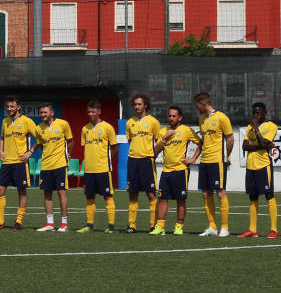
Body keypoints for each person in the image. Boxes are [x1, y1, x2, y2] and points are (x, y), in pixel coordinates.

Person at [150, 105, 201, 235]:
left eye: (174, 116)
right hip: (166, 171)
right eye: (170, 116)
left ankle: (179, 226)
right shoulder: (163, 131)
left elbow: (201, 142)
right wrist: (164, 138)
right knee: (162, 198)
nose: (171, 118)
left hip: (181, 170)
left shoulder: (186, 130)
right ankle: (160, 226)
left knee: (181, 199)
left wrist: (192, 159)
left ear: (180, 118)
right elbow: (155, 151)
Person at [194, 91, 234, 237]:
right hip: (204, 160)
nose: (196, 108)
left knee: (220, 192)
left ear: (203, 103)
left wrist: (226, 156)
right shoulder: (202, 119)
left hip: (217, 161)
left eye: (197, 105)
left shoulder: (222, 117)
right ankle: (212, 227)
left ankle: (225, 227)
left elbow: (230, 139)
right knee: (205, 193)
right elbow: (203, 141)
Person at [0, 95, 35, 230]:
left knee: (21, 191)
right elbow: (2, 137)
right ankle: (0, 222)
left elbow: (40, 137)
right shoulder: (5, 121)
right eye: (8, 107)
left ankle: (19, 221)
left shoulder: (27, 121)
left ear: (18, 107)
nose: (9, 109)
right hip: (6, 162)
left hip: (20, 162)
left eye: (12, 106)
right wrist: (0, 150)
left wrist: (30, 152)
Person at [76, 100, 117, 234]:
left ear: (99, 112)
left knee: (107, 197)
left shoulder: (107, 127)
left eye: (93, 111)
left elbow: (114, 147)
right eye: (88, 111)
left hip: (103, 169)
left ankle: (110, 226)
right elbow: (85, 148)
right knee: (89, 197)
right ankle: (89, 225)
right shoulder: (85, 129)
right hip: (89, 170)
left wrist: (107, 161)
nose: (90, 114)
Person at [238, 102, 278, 238]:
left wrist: (256, 130)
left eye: (258, 113)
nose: (255, 115)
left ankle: (273, 230)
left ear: (264, 113)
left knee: (269, 195)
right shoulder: (249, 127)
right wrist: (262, 145)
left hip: (263, 165)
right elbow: (245, 146)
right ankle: (252, 230)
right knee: (252, 198)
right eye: (254, 113)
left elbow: (264, 143)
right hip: (250, 166)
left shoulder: (271, 126)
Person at [124, 93, 160, 233]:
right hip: (133, 161)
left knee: (150, 194)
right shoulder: (129, 122)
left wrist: (152, 155)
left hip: (147, 161)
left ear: (145, 105)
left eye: (139, 104)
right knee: (132, 194)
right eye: (135, 104)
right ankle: (132, 226)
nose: (137, 107)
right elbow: (129, 141)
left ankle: (153, 225)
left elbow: (159, 142)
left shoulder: (153, 122)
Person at [33, 103, 72, 232]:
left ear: (52, 113)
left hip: (60, 164)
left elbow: (70, 140)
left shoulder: (63, 124)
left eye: (45, 112)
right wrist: (31, 151)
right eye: (41, 112)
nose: (43, 115)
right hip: (45, 165)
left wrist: (68, 155)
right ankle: (50, 223)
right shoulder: (38, 128)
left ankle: (64, 224)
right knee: (47, 194)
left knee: (61, 192)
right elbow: (40, 144)